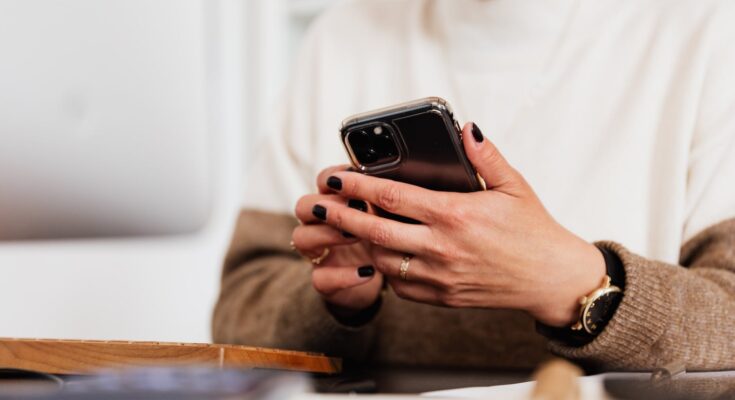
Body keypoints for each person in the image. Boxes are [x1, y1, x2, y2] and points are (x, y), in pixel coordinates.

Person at [213, 0, 735, 371]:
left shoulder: (707, 29)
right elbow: (237, 314)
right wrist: (337, 303)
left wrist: (571, 282)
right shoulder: (342, 34)